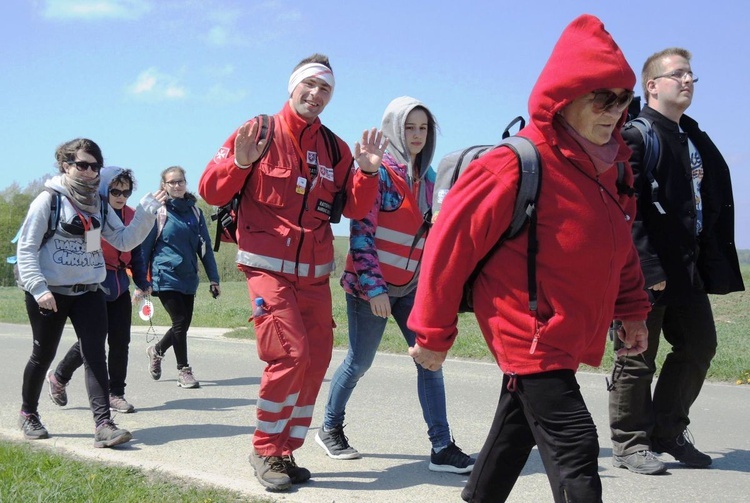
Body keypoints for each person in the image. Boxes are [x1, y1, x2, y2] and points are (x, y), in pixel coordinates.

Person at [406, 15, 652, 503]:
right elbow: (448, 248)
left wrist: (632, 311)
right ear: (565, 98)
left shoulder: (610, 168)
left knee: (511, 438)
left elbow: (617, 247)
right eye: (602, 99)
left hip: (563, 332)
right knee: (576, 446)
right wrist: (433, 334)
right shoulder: (513, 163)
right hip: (530, 332)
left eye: (624, 99)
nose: (615, 112)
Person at [199, 53, 388, 492]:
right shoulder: (259, 131)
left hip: (314, 276)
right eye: (310, 85)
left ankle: (285, 451)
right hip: (267, 269)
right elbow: (211, 189)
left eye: (325, 89)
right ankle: (265, 449)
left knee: (316, 359)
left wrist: (367, 171)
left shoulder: (336, 148)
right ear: (293, 87)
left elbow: (356, 208)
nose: (316, 94)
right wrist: (240, 164)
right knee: (289, 355)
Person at [316, 96, 474, 474]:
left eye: (423, 128)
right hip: (371, 288)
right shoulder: (380, 173)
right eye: (409, 127)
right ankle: (329, 427)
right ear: (393, 128)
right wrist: (375, 290)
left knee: (429, 361)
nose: (417, 135)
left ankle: (441, 446)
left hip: (412, 287)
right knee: (359, 362)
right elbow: (361, 235)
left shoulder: (433, 181)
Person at [608, 48, 745, 475]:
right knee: (635, 356)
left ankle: (667, 429)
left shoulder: (692, 136)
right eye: (678, 74)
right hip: (645, 271)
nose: (688, 81)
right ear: (652, 85)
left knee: (700, 345)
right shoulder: (635, 136)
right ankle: (630, 443)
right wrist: (648, 270)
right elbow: (625, 211)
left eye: (691, 75)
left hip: (688, 269)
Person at [16, 138, 166, 448]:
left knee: (96, 355)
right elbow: (27, 248)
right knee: (43, 355)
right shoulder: (49, 200)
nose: (88, 171)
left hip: (88, 291)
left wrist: (146, 215)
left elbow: (122, 241)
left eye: (94, 166)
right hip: (50, 293)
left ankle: (103, 425)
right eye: (81, 165)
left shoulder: (96, 204)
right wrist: (39, 288)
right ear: (65, 165)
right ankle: (28, 413)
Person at [47, 167, 151, 414]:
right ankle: (59, 376)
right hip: (97, 282)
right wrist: (94, 280)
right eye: (115, 190)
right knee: (93, 341)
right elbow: (91, 251)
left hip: (119, 285)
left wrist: (141, 281)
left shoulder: (132, 215)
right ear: (104, 189)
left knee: (120, 341)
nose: (121, 196)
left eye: (126, 191)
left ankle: (117, 394)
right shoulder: (95, 215)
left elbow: (137, 252)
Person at [142, 166, 220, 390]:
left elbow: (204, 248)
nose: (177, 186)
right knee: (179, 321)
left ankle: (156, 350)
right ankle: (183, 370)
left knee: (183, 324)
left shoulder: (195, 213)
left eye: (180, 181)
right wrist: (142, 282)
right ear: (164, 186)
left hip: (188, 277)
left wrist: (213, 278)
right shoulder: (159, 211)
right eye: (172, 182)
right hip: (164, 275)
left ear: (186, 183)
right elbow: (145, 248)